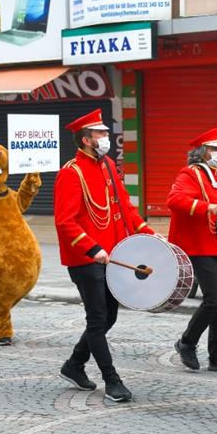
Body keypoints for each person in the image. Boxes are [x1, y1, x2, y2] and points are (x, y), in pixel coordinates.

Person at [54, 108, 155, 404]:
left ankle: (74, 364)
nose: (106, 137)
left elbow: (125, 207)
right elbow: (64, 221)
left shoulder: (108, 165)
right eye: (100, 134)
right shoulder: (71, 173)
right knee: (98, 318)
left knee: (108, 316)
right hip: (86, 258)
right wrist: (92, 247)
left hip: (113, 254)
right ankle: (112, 381)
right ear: (86, 139)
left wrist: (149, 233)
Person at [167, 128, 217, 373]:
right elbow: (175, 200)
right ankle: (187, 342)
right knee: (213, 300)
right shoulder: (190, 173)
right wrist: (205, 207)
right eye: (214, 149)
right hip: (200, 245)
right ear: (202, 153)